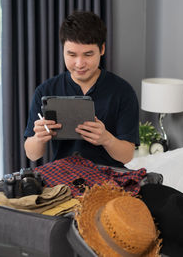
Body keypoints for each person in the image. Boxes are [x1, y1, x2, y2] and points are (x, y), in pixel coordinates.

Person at [24, 11, 139, 167]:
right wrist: (39, 138)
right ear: (63, 50)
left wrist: (106, 139)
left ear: (102, 49)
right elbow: (32, 154)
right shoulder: (45, 91)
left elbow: (127, 156)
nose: (79, 63)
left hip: (107, 178)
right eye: (71, 54)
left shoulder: (123, 92)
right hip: (62, 179)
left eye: (88, 54)